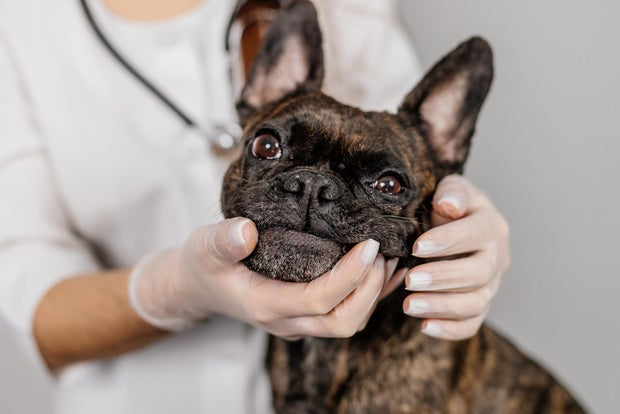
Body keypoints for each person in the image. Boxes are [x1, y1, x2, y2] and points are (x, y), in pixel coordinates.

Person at [0, 0, 510, 413]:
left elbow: (410, 161)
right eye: (270, 149)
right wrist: (175, 287)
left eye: (385, 185)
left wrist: (460, 220)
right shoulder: (22, 27)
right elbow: (33, 298)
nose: (313, 193)